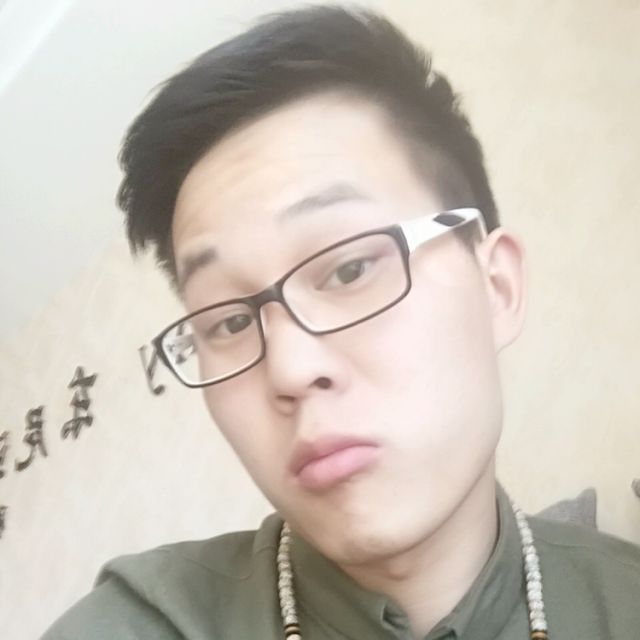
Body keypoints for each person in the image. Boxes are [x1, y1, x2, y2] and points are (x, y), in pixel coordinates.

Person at [43, 5, 640, 640]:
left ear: (497, 287)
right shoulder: (143, 623)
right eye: (231, 322)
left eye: (350, 269)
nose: (291, 369)